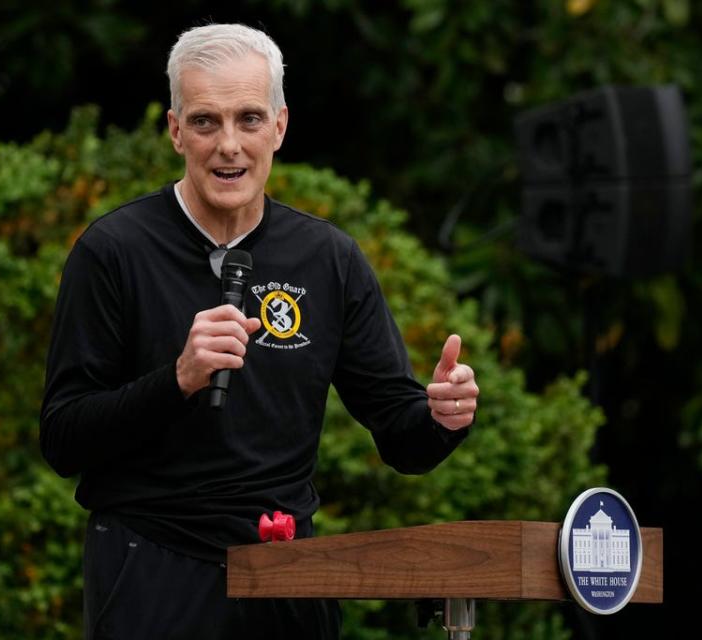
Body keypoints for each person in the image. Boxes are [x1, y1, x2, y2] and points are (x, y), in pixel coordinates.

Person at [40, 22, 479, 640]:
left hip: (287, 573)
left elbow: (400, 435)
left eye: (249, 119)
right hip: (152, 564)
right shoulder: (114, 251)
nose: (229, 145)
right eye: (205, 122)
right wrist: (178, 380)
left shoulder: (329, 259)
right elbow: (63, 438)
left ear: (279, 126)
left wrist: (442, 417)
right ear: (174, 132)